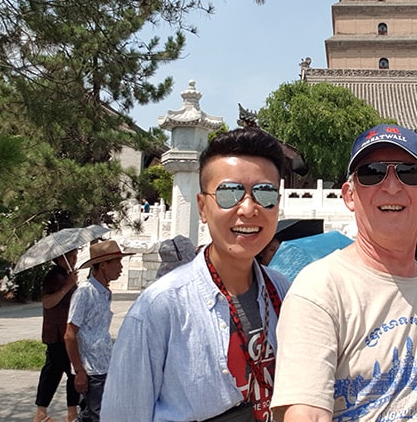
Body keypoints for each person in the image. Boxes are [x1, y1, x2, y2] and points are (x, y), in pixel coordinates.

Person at [271, 124, 417, 422]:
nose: (391, 186)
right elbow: (305, 413)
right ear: (349, 195)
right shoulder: (320, 288)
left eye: (409, 172)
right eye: (372, 173)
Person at [102, 128, 291, 421]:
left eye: (265, 194)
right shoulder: (160, 307)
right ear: (203, 207)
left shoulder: (283, 291)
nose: (249, 209)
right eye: (230, 193)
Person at [65, 240, 134, 422]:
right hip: (91, 369)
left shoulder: (104, 292)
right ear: (103, 266)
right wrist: (79, 370)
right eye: (117, 262)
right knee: (99, 416)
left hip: (104, 364)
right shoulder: (85, 292)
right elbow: (70, 334)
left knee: (91, 415)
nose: (120, 267)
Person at [33, 249, 80, 422]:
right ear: (60, 258)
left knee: (52, 372)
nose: (74, 259)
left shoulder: (65, 275)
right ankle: (72, 413)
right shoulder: (54, 277)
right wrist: (68, 285)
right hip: (58, 333)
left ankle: (41, 413)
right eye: (70, 256)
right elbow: (47, 302)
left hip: (63, 331)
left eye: (75, 255)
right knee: (73, 371)